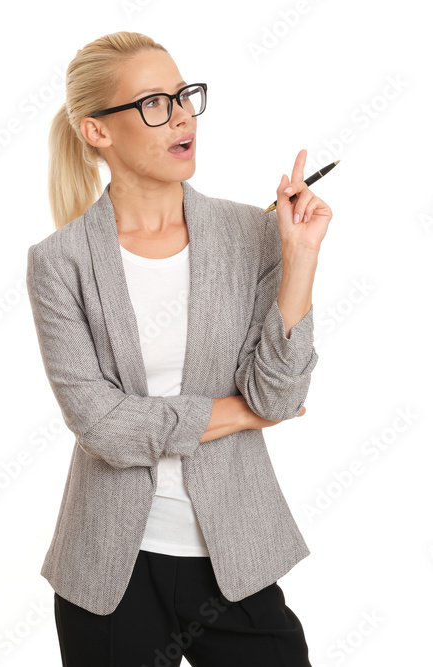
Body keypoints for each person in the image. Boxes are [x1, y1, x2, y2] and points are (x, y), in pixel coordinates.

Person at [26, 31, 331, 666]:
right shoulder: (60, 263)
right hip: (109, 570)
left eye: (184, 95)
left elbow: (281, 392)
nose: (182, 114)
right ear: (97, 132)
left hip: (233, 561)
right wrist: (245, 414)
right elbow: (104, 427)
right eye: (154, 103)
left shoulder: (251, 235)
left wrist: (299, 256)